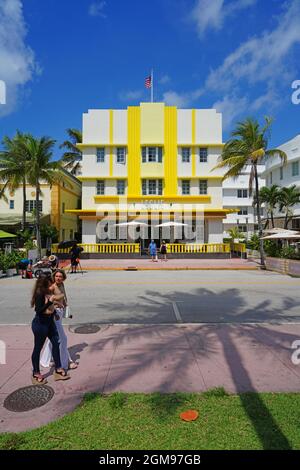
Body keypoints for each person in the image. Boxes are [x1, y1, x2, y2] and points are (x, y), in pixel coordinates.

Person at [31, 276, 70, 384]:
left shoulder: (49, 291)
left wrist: (54, 312)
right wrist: (50, 302)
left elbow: (58, 298)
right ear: (43, 285)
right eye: (49, 284)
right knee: (38, 348)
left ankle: (58, 369)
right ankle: (36, 372)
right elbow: (39, 310)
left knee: (56, 343)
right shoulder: (39, 294)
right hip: (40, 324)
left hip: (50, 322)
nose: (51, 286)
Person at [40, 269, 77, 371]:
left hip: (60, 313)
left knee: (53, 339)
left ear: (63, 277)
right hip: (54, 314)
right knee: (63, 339)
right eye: (56, 276)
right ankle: (66, 363)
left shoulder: (62, 285)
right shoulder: (52, 287)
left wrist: (67, 311)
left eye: (60, 276)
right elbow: (48, 301)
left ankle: (45, 360)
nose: (58, 278)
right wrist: (54, 312)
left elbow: (64, 299)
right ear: (54, 277)